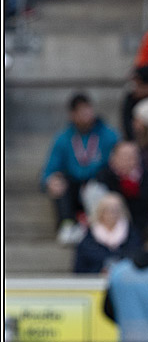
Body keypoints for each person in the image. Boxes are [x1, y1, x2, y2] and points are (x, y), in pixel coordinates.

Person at [41, 93, 120, 244]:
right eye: (81, 111)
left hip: (99, 185)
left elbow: (119, 159)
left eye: (88, 109)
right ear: (72, 115)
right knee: (58, 181)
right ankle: (68, 225)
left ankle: (102, 225)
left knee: (103, 180)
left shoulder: (108, 135)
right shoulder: (63, 138)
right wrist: (49, 180)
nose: (86, 115)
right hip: (74, 188)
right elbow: (49, 169)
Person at [73, 192, 141, 274]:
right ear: (101, 212)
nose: (112, 213)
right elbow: (80, 270)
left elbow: (138, 261)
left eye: (116, 209)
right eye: (108, 209)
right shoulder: (88, 239)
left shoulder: (133, 235)